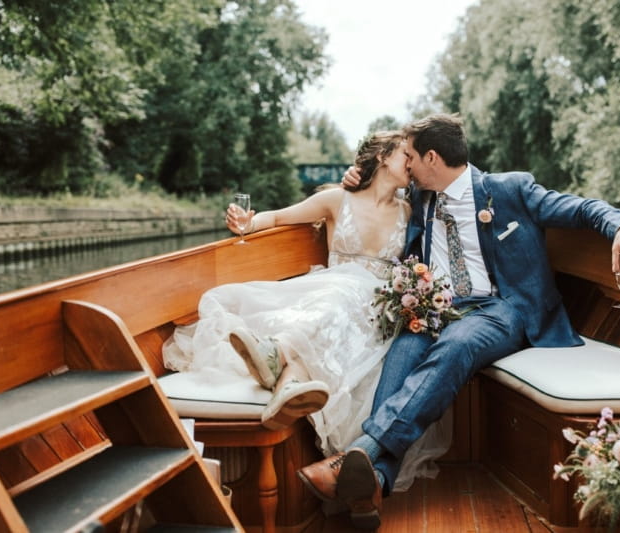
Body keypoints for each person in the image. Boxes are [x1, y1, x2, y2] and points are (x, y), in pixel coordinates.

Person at [296, 113, 620, 530]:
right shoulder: (419, 199)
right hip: (436, 306)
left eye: (410, 156)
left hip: (501, 308)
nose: (405, 164)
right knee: (402, 351)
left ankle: (364, 450)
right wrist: (357, 174)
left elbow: (580, 208)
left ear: (431, 157)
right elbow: (373, 187)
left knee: (458, 344)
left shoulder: (509, 188)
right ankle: (373, 479)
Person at [162, 130, 450, 494]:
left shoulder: (411, 211)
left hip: (374, 311)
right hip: (331, 297)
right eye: (405, 156)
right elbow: (279, 218)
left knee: (347, 296)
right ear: (382, 156)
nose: (411, 163)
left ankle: (277, 355)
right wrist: (247, 223)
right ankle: (287, 378)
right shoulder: (336, 199)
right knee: (337, 296)